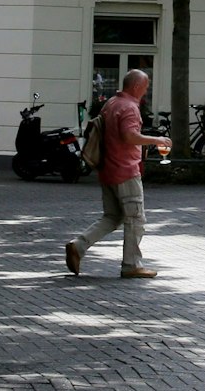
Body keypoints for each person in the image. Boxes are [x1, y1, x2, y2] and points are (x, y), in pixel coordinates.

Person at [66, 69, 170, 279]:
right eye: (146, 86)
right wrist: (157, 140)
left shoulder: (111, 103)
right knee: (135, 219)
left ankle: (78, 245)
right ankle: (131, 264)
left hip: (107, 170)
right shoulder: (130, 107)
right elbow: (129, 136)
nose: (147, 90)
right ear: (136, 86)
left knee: (113, 216)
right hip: (126, 171)